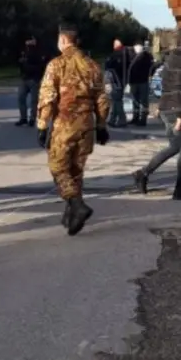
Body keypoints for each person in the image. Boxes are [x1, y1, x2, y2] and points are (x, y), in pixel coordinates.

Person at [36, 24, 111, 235]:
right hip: (86, 124)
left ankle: (77, 205)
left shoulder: (56, 64)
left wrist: (42, 125)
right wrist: (101, 124)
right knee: (76, 170)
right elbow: (102, 99)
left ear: (62, 40)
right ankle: (72, 216)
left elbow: (47, 97)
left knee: (58, 167)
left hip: (64, 123)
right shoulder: (93, 66)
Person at [132, 27, 181, 201]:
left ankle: (145, 174)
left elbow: (167, 84)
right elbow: (178, 88)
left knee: (177, 147)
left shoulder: (173, 57)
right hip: (176, 110)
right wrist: (180, 115)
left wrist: (162, 106)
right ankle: (178, 187)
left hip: (168, 108)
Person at [16, 35, 47, 127]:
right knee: (21, 98)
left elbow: (41, 66)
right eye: (27, 41)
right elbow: (20, 63)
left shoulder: (39, 53)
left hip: (34, 79)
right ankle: (23, 118)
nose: (28, 43)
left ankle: (32, 119)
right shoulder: (24, 52)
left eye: (31, 41)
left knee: (34, 100)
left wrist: (29, 67)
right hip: (24, 79)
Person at [104, 39, 130, 127]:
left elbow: (108, 67)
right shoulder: (126, 55)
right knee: (116, 100)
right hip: (121, 81)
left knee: (117, 101)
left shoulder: (115, 56)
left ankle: (122, 119)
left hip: (115, 81)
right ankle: (113, 119)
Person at [128, 42, 154, 126]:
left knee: (137, 101)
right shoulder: (148, 56)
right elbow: (152, 67)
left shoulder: (135, 58)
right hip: (143, 81)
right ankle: (142, 119)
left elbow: (131, 69)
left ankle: (138, 118)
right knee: (142, 101)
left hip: (136, 81)